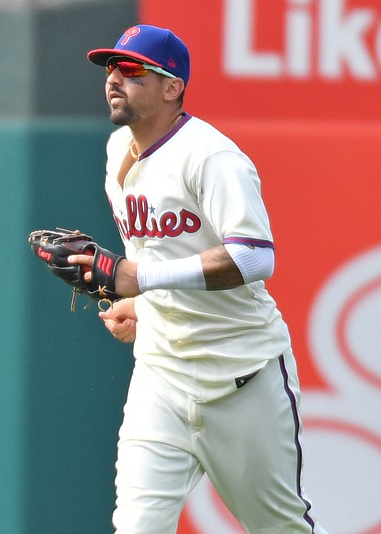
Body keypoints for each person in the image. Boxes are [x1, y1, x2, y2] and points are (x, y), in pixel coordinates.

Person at [71, 25, 329, 533]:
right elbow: (153, 253)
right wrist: (143, 303)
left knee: (279, 527)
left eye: (132, 70)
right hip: (161, 375)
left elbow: (254, 259)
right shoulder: (116, 150)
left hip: (242, 377)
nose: (115, 79)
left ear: (173, 87)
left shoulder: (212, 156)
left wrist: (138, 278)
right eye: (111, 68)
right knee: (137, 527)